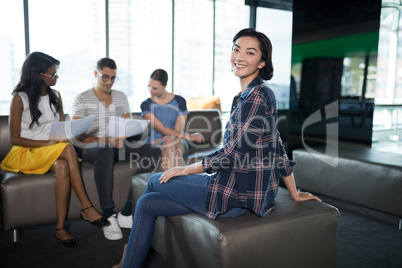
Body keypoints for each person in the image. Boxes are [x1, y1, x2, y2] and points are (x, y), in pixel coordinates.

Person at [113, 28, 321, 268]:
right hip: (246, 195)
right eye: (236, 49)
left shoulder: (255, 97)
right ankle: (130, 260)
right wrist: (294, 192)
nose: (240, 57)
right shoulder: (252, 95)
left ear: (262, 62)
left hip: (232, 195)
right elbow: (277, 147)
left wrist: (184, 169)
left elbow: (231, 153)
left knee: (154, 181)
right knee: (146, 204)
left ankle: (129, 257)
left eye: (250, 53)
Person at [0, 52, 109, 248]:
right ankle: (87, 206)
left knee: (62, 166)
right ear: (39, 75)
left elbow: (60, 128)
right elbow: (15, 138)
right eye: (53, 74)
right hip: (26, 151)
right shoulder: (20, 98)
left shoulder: (55, 96)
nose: (56, 77)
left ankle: (60, 229)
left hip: (52, 150)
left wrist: (65, 135)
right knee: (67, 150)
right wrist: (49, 144)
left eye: (56, 73)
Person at [70, 58, 161, 241]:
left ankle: (127, 211)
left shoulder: (120, 97)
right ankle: (108, 214)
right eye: (105, 77)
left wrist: (124, 136)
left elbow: (127, 125)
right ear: (96, 74)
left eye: (113, 78)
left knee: (154, 151)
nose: (109, 82)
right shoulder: (82, 98)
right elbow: (76, 136)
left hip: (115, 145)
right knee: (104, 150)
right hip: (89, 147)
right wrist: (106, 140)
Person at [141, 69, 205, 171]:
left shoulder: (179, 101)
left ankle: (166, 184)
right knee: (176, 153)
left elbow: (177, 132)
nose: (150, 90)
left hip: (177, 140)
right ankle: (175, 184)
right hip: (155, 142)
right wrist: (190, 137)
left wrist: (169, 139)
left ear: (165, 86)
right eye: (149, 86)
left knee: (169, 140)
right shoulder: (146, 105)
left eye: (155, 88)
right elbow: (161, 129)